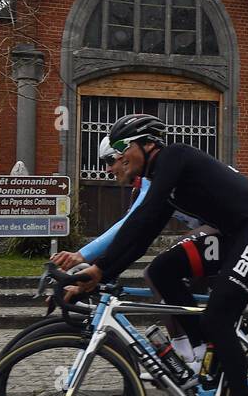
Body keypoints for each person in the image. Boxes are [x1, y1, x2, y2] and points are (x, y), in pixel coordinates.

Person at [64, 113, 248, 396]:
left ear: (146, 144)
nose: (116, 160)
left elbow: (142, 217)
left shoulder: (174, 157)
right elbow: (141, 237)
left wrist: (100, 266)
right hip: (232, 233)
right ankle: (200, 358)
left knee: (219, 315)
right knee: (163, 270)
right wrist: (101, 274)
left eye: (122, 149)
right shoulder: (162, 182)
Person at [52, 136, 214, 379]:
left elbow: (128, 225)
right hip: (213, 230)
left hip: (226, 229)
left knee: (158, 273)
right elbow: (133, 238)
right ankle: (194, 359)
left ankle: (190, 355)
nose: (109, 168)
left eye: (111, 160)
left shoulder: (153, 178)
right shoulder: (144, 183)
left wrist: (82, 256)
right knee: (168, 288)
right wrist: (101, 272)